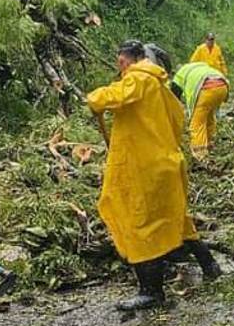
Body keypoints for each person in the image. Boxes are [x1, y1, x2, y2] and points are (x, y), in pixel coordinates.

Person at [88, 40, 221, 311]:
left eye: (122, 62)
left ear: (133, 60)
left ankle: (151, 291)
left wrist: (92, 99)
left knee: (139, 225)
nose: (120, 68)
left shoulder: (139, 78)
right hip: (167, 164)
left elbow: (105, 98)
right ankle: (210, 266)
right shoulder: (160, 87)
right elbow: (177, 122)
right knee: (177, 221)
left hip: (145, 169)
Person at [171, 60, 229, 159]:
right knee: (209, 115)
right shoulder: (200, 66)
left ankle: (200, 153)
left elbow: (173, 97)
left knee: (197, 123)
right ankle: (210, 143)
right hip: (223, 87)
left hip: (207, 90)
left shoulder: (179, 75)